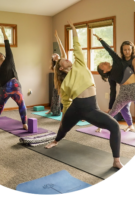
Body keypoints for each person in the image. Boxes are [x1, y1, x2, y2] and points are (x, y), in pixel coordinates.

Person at [45, 21, 123, 170]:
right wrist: (64, 117)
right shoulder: (65, 83)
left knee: (114, 126)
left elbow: (77, 46)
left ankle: (116, 160)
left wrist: (74, 30)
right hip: (76, 108)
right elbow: (66, 103)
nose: (68, 58)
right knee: (63, 128)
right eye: (64, 60)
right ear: (61, 67)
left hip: (91, 109)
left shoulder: (79, 63)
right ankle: (55, 140)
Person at [95, 34, 135, 138]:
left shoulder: (117, 61)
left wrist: (101, 40)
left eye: (129, 49)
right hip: (124, 92)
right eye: (103, 64)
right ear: (104, 70)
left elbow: (109, 50)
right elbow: (113, 92)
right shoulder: (111, 77)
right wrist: (110, 106)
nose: (105, 62)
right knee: (112, 111)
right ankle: (101, 126)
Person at [0, 26, 28, 130]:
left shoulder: (9, 61)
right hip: (3, 89)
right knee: (0, 104)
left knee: (22, 104)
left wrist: (4, 33)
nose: (0, 54)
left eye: (1, 54)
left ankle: (24, 123)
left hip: (15, 86)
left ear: (5, 57)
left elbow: (7, 46)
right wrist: (0, 91)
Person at [46, 30, 66, 116]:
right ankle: (52, 109)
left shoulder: (62, 61)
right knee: (55, 96)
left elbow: (63, 51)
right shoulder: (55, 66)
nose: (55, 55)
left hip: (65, 82)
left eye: (56, 54)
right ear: (53, 59)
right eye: (53, 55)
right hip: (57, 82)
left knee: (67, 97)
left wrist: (57, 38)